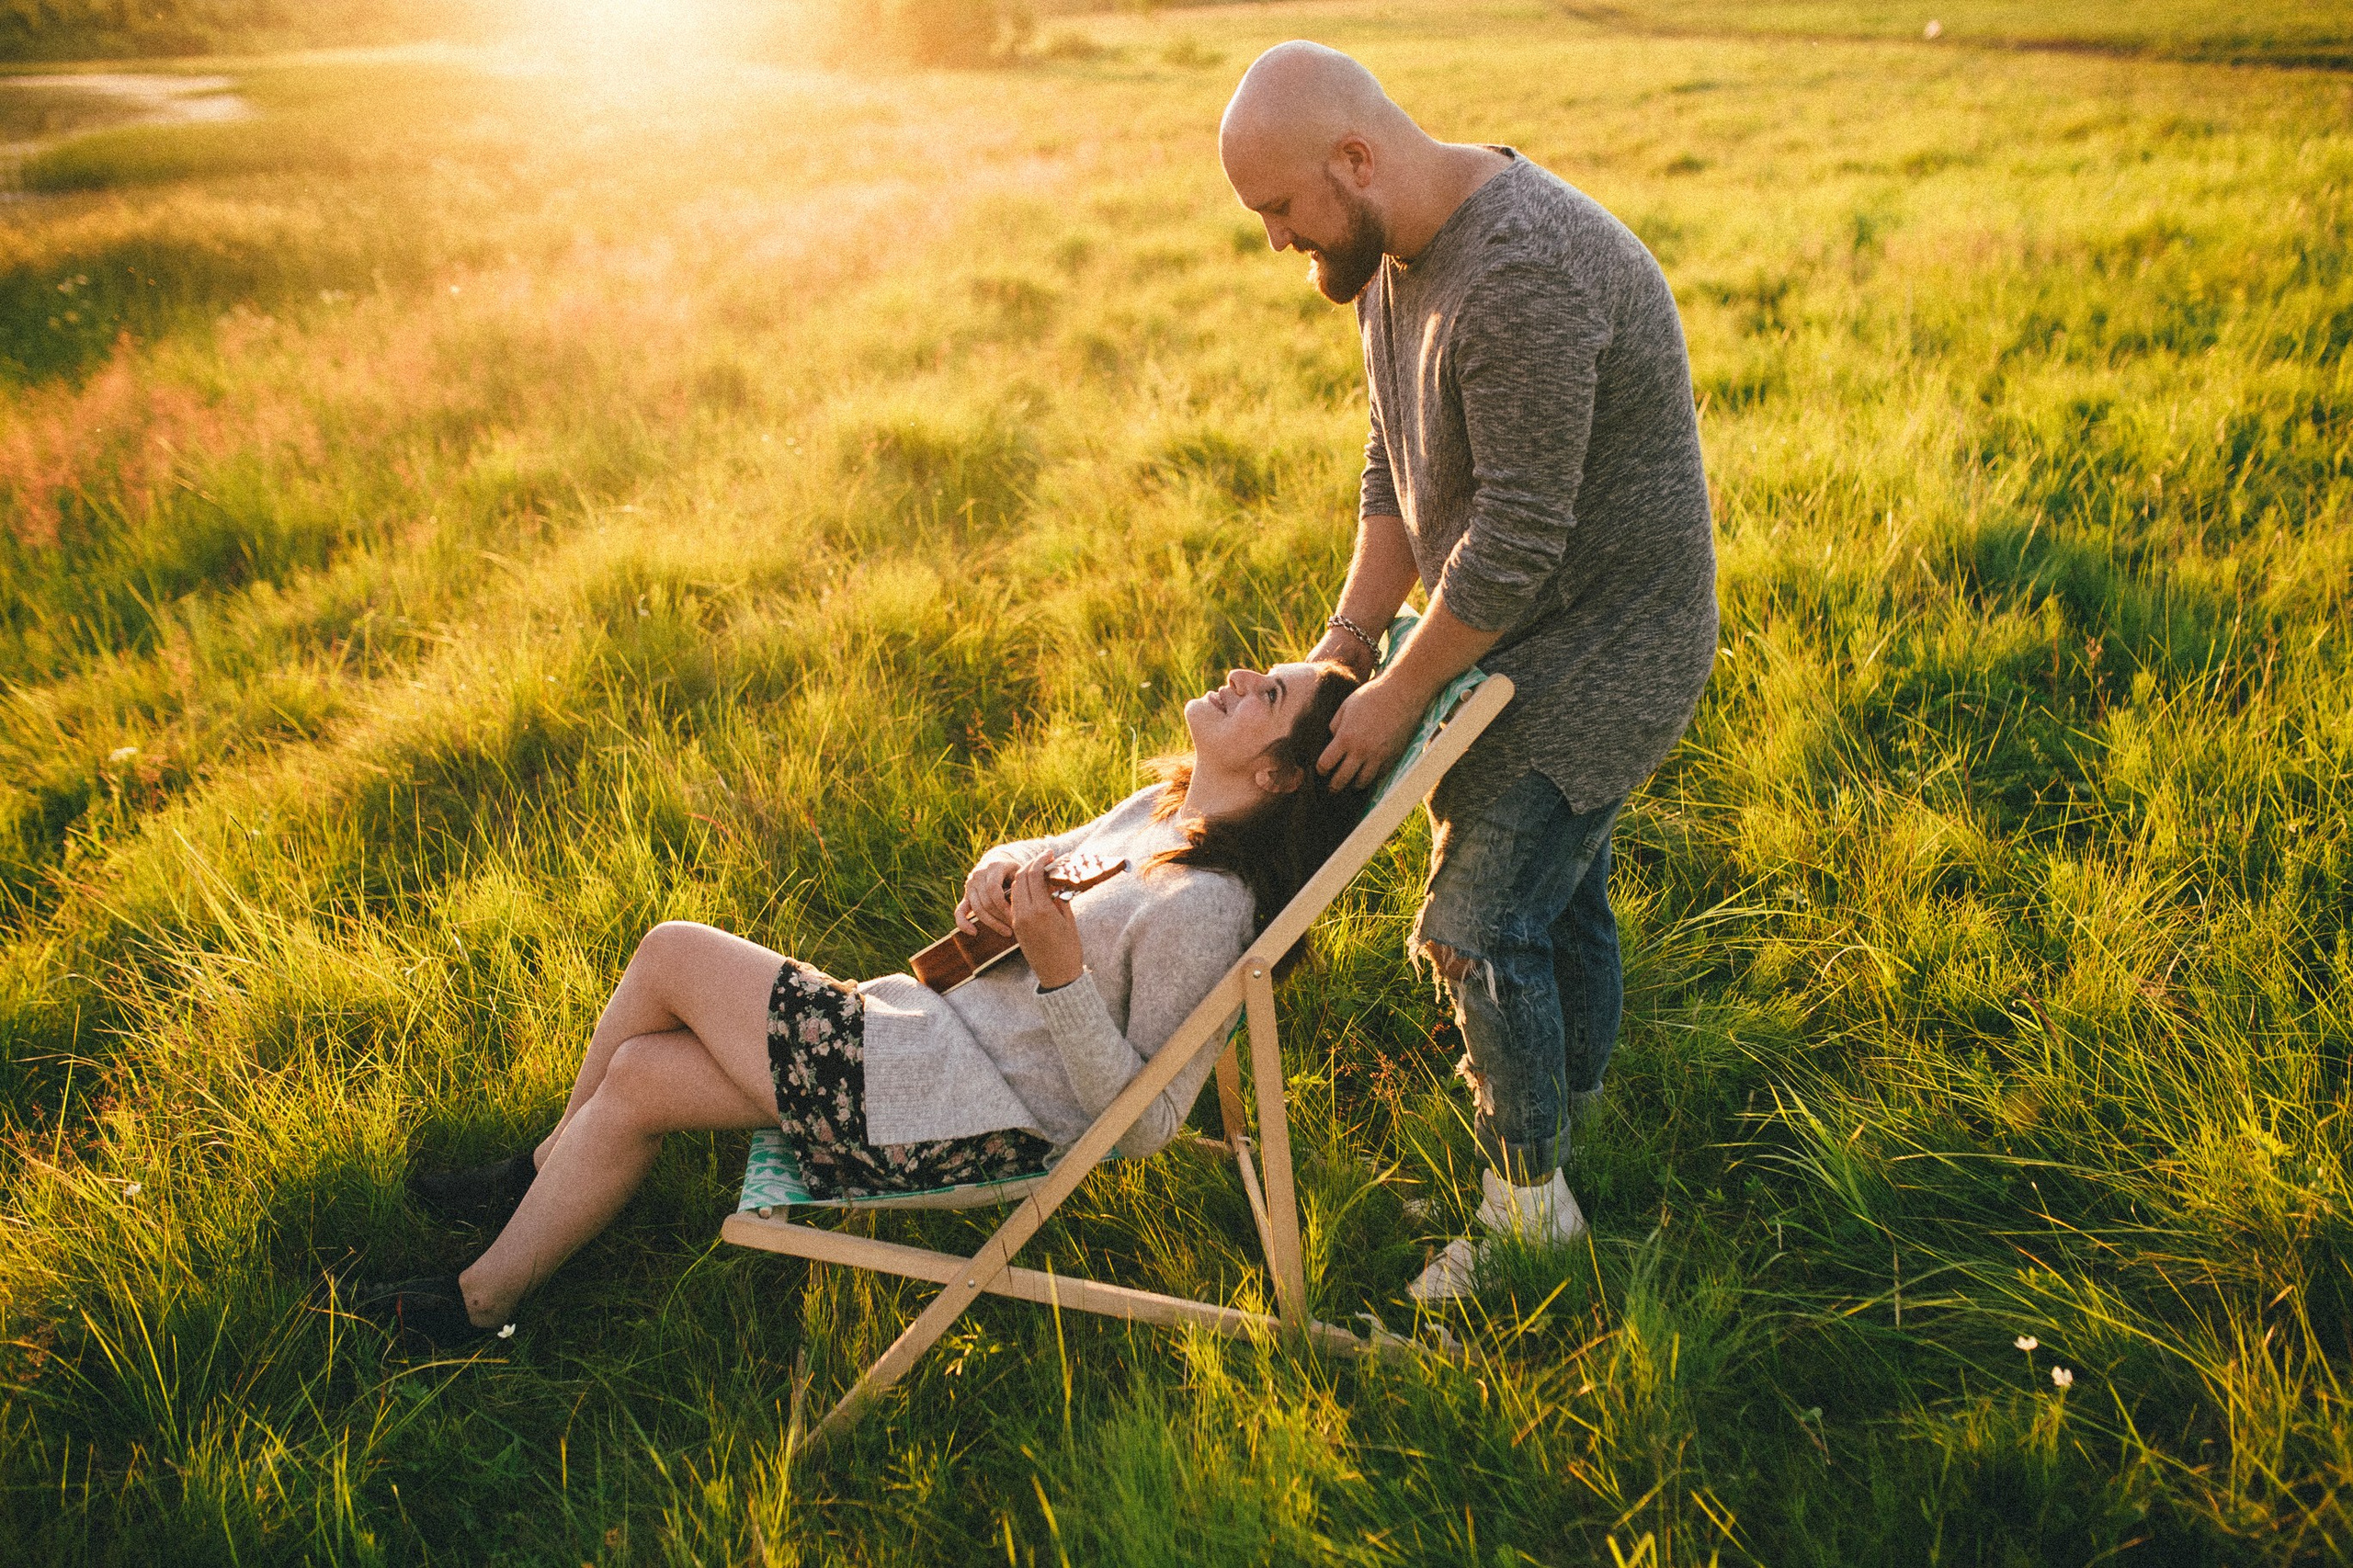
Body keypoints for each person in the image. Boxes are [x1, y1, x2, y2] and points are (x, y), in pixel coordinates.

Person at [363, 662, 1371, 1344]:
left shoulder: (1206, 906)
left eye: (1266, 692)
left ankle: (525, 1185)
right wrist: (997, 874)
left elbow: (1144, 1125)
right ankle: (483, 1301)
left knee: (670, 951)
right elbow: (1040, 856)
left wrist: (1061, 973)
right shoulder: (1163, 811)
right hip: (915, 1044)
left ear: (1277, 771)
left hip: (962, 1118)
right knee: (636, 1079)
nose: (1240, 677)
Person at [1219, 43, 1717, 1299]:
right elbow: (1396, 467)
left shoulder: (1521, 276)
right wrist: (1346, 646)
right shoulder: (1390, 255)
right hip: (1514, 630)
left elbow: (1521, 544)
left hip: (1608, 644)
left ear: (1355, 158)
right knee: (1560, 895)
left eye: (1281, 208)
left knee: (1475, 924)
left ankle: (1529, 1215)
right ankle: (1563, 1128)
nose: (1276, 238)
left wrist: (1394, 695)